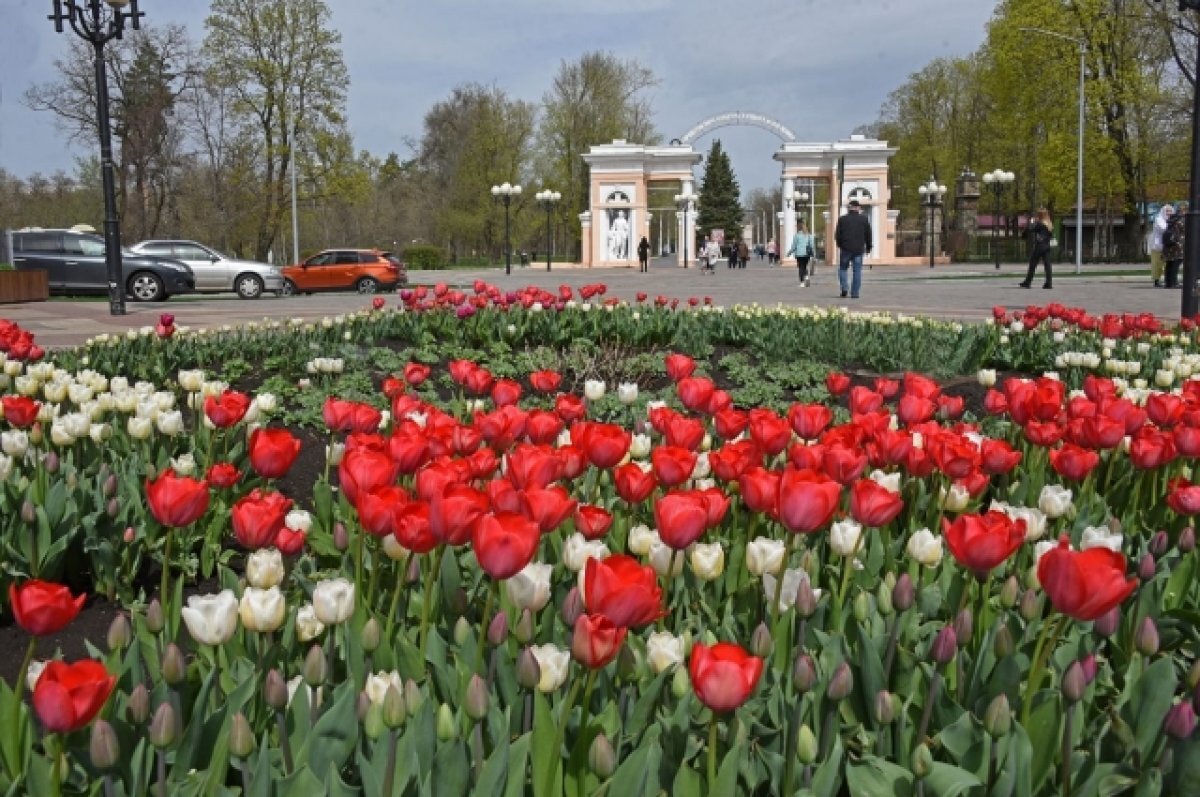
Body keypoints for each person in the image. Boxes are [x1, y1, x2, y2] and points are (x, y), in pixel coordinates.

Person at [834, 199, 872, 298]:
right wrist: (868, 246)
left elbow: (837, 234)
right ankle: (855, 293)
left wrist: (840, 245)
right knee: (857, 271)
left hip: (846, 248)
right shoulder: (864, 219)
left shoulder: (842, 219)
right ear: (858, 208)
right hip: (859, 249)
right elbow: (868, 234)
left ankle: (845, 288)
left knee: (842, 269)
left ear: (849, 208)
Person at [1019, 208, 1055, 290]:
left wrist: (1032, 221)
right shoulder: (1049, 224)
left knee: (1033, 264)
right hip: (1047, 246)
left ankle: (1027, 282)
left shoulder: (1040, 223)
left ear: (1040, 215)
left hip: (1040, 245)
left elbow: (1031, 229)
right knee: (1047, 265)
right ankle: (1048, 283)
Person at [1150, 205, 1176, 288]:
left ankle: (1167, 280)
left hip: (1168, 246)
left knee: (1167, 265)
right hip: (1157, 246)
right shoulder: (1159, 220)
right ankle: (1156, 280)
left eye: (1170, 211)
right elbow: (1164, 229)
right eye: (1167, 211)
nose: (1169, 213)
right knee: (1157, 264)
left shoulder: (1172, 220)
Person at [1164, 202, 1187, 289]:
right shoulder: (1182, 219)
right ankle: (1174, 282)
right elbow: (1185, 230)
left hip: (1170, 243)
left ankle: (1168, 282)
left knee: (1170, 263)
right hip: (1178, 243)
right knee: (1176, 263)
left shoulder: (1172, 218)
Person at [786, 221, 815, 286]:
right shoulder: (809, 235)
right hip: (806, 254)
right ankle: (807, 277)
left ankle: (802, 283)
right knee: (804, 266)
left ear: (799, 228)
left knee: (801, 267)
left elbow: (794, 246)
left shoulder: (797, 236)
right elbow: (811, 245)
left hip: (799, 254)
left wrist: (789, 253)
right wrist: (813, 253)